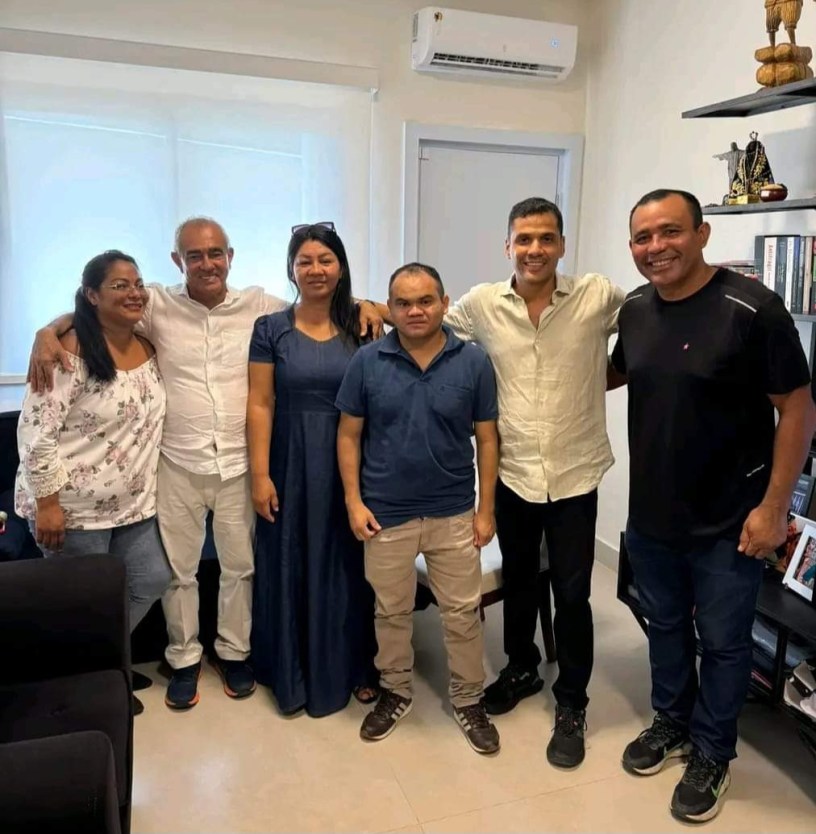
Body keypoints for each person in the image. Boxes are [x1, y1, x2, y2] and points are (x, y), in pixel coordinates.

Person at [29, 217, 383, 711]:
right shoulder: (154, 304)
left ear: (230, 256)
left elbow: (317, 296)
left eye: (216, 253)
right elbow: (99, 306)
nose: (206, 263)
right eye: (194, 255)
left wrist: (369, 304)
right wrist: (48, 330)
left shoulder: (259, 306)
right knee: (180, 571)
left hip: (238, 461)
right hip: (177, 460)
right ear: (178, 260)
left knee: (240, 567)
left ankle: (234, 653)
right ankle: (184, 658)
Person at [609, 188, 816, 823]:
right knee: (665, 626)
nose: (656, 247)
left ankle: (712, 753)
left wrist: (774, 507)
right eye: (642, 237)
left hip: (731, 519)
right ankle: (672, 721)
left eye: (670, 231)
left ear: (701, 234)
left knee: (725, 644)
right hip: (652, 513)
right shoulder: (636, 309)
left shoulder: (753, 309)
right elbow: (611, 375)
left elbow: (798, 409)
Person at [442, 197, 625, 768]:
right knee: (520, 581)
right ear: (508, 246)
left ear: (562, 245)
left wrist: (603, 377)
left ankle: (572, 702)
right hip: (513, 471)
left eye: (546, 238)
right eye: (524, 239)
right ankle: (521, 668)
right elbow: (426, 327)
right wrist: (371, 307)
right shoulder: (481, 304)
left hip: (575, 471)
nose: (535, 249)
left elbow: (651, 324)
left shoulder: (597, 296)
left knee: (571, 593)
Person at [336, 262, 501, 755]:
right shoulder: (367, 361)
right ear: (390, 308)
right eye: (403, 303)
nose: (415, 311)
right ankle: (396, 691)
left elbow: (487, 439)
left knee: (462, 613)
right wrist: (353, 502)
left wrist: (486, 509)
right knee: (391, 612)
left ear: (444, 304)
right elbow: (348, 435)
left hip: (453, 512)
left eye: (426, 301)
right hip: (385, 514)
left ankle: (469, 699)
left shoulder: (473, 362)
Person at [16, 250, 170, 714]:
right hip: (73, 510)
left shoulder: (147, 344)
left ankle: (101, 663)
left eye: (137, 283)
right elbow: (36, 433)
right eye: (119, 285)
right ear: (91, 294)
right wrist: (48, 504)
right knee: (80, 604)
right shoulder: (65, 352)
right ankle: (79, 689)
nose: (134, 292)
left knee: (151, 578)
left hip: (134, 505)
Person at [246, 222, 378, 717]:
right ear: (292, 269)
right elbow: (260, 403)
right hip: (290, 459)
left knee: (348, 566)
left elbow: (418, 314)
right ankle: (293, 671)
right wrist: (260, 475)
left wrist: (371, 304)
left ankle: (354, 666)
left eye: (326, 260)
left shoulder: (363, 327)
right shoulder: (269, 329)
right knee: (290, 561)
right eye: (305, 261)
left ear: (341, 267)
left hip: (352, 461)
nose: (315, 269)